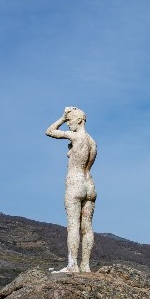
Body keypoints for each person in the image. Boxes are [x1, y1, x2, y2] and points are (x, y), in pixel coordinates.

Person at [45, 106, 97, 273]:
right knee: (87, 227)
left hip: (75, 183)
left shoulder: (76, 137)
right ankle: (86, 266)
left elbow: (50, 131)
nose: (68, 124)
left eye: (70, 120)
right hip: (90, 185)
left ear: (80, 120)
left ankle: (73, 265)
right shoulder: (92, 142)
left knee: (73, 225)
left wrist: (61, 117)